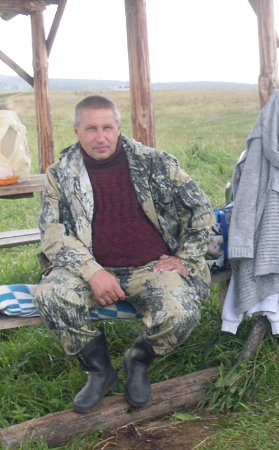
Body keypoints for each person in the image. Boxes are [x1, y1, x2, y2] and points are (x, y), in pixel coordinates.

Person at [33, 95, 214, 413]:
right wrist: (92, 271)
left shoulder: (155, 162)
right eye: (91, 129)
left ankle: (139, 359)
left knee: (181, 312)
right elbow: (52, 233)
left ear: (118, 128)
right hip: (90, 267)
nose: (100, 136)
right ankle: (100, 371)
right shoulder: (60, 174)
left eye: (107, 127)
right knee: (50, 296)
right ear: (76, 131)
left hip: (152, 267)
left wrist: (185, 258)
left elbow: (200, 209)